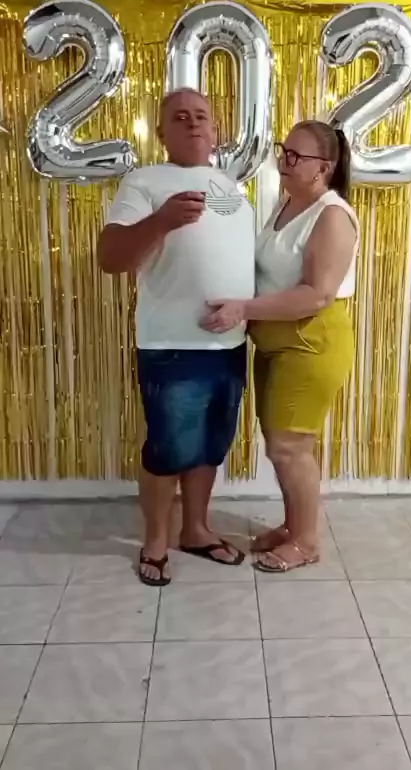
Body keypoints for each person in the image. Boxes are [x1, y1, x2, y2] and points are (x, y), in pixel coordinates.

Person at [97, 88, 255, 585]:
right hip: (172, 346)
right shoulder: (144, 181)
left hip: (230, 345)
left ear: (216, 130)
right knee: (168, 450)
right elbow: (110, 258)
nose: (192, 123)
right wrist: (162, 220)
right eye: (179, 117)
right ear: (162, 133)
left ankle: (196, 529)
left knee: (210, 444)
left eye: (201, 116)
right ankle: (156, 541)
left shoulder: (232, 188)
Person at [201, 120, 359, 572]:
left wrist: (243, 309)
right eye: (282, 151)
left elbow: (317, 295)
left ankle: (306, 542)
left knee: (292, 447)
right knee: (280, 444)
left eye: (296, 156)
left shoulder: (332, 215)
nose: (283, 161)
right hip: (275, 344)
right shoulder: (287, 203)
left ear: (323, 168)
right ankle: (293, 527)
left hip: (311, 342)